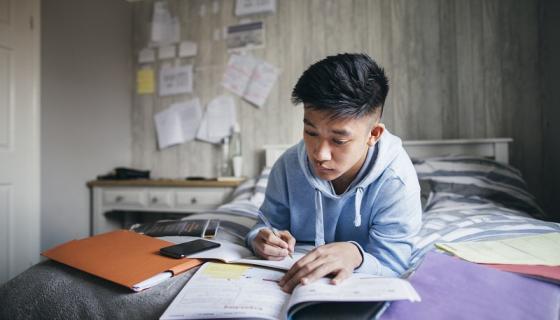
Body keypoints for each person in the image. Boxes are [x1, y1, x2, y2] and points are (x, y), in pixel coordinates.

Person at [245, 53, 422, 293]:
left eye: (338, 140)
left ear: (374, 134)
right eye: (311, 132)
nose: (320, 154)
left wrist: (356, 255)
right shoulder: (287, 166)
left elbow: (394, 262)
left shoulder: (396, 181)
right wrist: (259, 240)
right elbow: (264, 226)